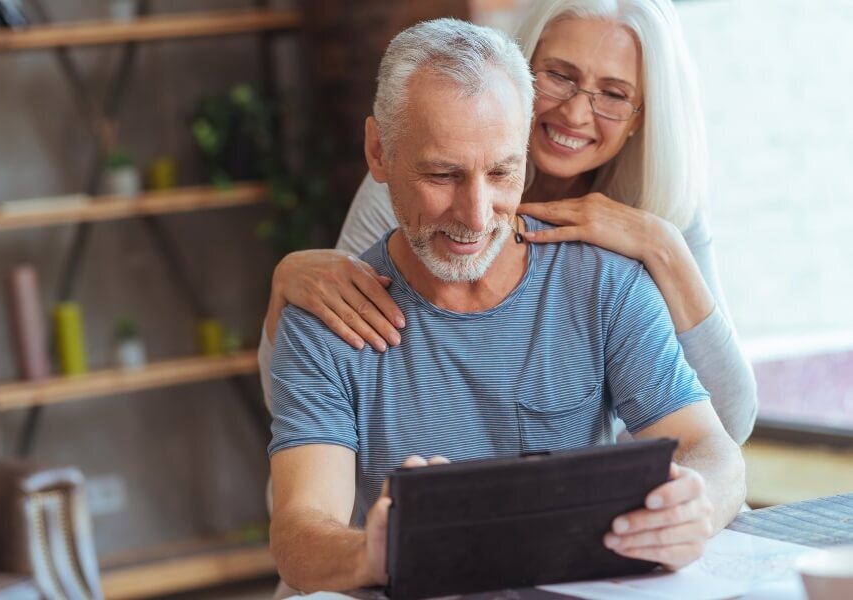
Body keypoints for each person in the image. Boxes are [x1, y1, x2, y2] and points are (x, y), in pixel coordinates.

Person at [268, 18, 745, 593]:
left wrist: (699, 503)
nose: (475, 214)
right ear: (379, 152)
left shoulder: (606, 281)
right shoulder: (329, 315)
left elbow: (714, 447)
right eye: (442, 175)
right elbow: (299, 530)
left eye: (501, 171)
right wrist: (372, 552)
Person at [259, 0, 757, 444]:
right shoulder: (413, 180)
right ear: (520, 70)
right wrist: (288, 284)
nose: (576, 113)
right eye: (560, 75)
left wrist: (663, 247)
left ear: (640, 117)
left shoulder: (662, 208)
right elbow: (309, 378)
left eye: (613, 94)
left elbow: (730, 422)